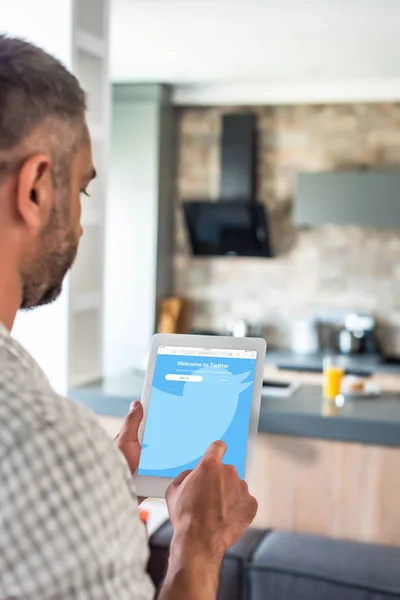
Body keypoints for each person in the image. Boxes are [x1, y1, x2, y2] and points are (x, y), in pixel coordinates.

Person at [0, 34, 258, 599]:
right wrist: (197, 542)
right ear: (37, 188)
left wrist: (101, 492)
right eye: (83, 191)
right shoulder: (43, 442)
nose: (83, 224)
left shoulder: (55, 459)